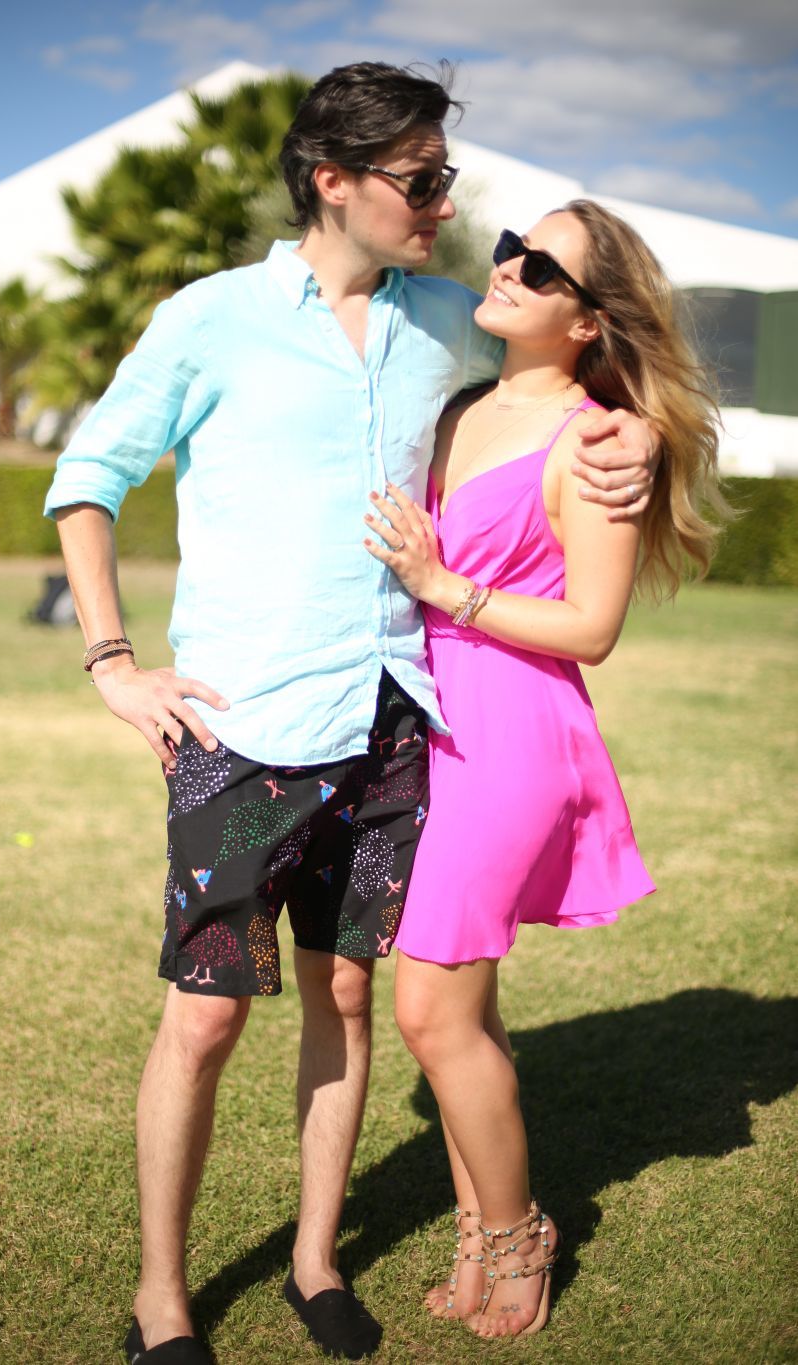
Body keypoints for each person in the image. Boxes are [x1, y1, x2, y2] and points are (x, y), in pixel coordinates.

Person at [44, 63, 658, 1364]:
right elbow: (87, 478)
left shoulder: (448, 321)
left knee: (346, 996)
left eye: (446, 179)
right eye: (423, 181)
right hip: (237, 732)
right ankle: (163, 1297)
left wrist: (637, 437)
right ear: (333, 180)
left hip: (392, 728)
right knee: (204, 1016)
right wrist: (112, 660)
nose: (447, 208)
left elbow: (573, 379)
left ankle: (317, 1263)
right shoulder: (209, 319)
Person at [362, 199, 725, 1342]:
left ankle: (519, 1232)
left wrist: (447, 589)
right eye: (512, 245)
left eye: (542, 266)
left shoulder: (596, 440)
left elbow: (592, 628)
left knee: (429, 1009)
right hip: (428, 720)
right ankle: (480, 1233)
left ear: (587, 320)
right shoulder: (460, 404)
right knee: (461, 1006)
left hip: (511, 728)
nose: (509, 265)